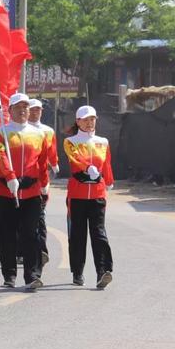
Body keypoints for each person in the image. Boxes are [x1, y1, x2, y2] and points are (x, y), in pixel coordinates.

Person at [0, 93, 49, 290]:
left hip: (31, 192)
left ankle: (32, 275)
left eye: (25, 107)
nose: (23, 110)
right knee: (7, 234)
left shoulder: (38, 134)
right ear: (10, 111)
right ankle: (9, 273)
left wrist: (44, 184)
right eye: (18, 107)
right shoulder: (1, 133)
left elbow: (42, 162)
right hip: (8, 192)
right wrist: (10, 177)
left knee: (31, 234)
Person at [63, 105, 114, 289]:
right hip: (77, 195)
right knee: (78, 234)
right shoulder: (71, 141)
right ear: (78, 121)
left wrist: (108, 180)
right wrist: (87, 167)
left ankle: (103, 271)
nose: (89, 122)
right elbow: (75, 158)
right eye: (85, 119)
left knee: (99, 233)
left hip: (98, 195)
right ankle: (77, 271)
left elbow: (106, 163)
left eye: (92, 119)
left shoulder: (103, 141)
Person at [27, 98, 59, 265]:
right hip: (25, 176)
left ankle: (41, 249)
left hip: (42, 176)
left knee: (40, 213)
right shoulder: (22, 131)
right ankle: (22, 250)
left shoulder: (48, 131)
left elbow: (52, 151)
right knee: (24, 216)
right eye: (32, 109)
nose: (35, 112)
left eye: (38, 109)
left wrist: (54, 164)